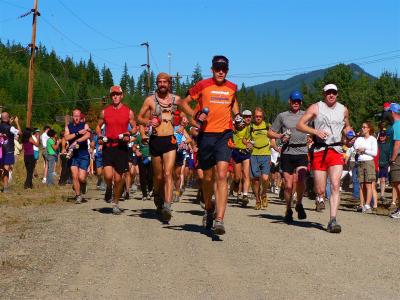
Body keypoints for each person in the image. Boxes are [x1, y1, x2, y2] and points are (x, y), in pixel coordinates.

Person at [179, 55, 240, 235]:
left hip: (224, 135)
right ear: (212, 69)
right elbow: (183, 103)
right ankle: (208, 209)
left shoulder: (232, 88)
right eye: (217, 68)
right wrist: (194, 117)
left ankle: (220, 220)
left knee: (222, 175)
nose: (221, 71)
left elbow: (234, 104)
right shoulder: (203, 85)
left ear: (227, 70)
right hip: (206, 135)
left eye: (224, 68)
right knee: (207, 179)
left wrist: (237, 118)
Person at [296, 83, 353, 233]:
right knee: (321, 189)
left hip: (336, 149)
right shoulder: (316, 107)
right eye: (328, 92)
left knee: (335, 185)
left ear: (337, 94)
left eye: (334, 92)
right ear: (324, 94)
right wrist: (315, 131)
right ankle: (317, 193)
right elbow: (300, 125)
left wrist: (350, 134)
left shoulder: (343, 109)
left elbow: (347, 126)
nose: (331, 95)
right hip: (320, 150)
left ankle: (333, 220)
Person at [137, 73, 180, 222]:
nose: (162, 84)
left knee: (168, 173)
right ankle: (157, 196)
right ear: (157, 83)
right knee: (159, 176)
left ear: (169, 84)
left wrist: (186, 118)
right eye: (159, 82)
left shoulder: (175, 100)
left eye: (165, 82)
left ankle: (167, 205)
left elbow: (186, 113)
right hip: (155, 140)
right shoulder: (150, 100)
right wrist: (148, 123)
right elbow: (139, 118)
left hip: (170, 140)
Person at [268, 90, 308, 222]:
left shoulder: (307, 115)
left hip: (302, 151)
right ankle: (288, 208)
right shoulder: (282, 116)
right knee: (289, 185)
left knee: (301, 179)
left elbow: (315, 129)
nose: (296, 103)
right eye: (293, 101)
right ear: (289, 101)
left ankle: (299, 203)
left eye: (298, 101)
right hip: (287, 153)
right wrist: (280, 136)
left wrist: (312, 137)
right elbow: (270, 133)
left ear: (301, 102)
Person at [96, 85, 136, 215]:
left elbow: (135, 127)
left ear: (122, 95)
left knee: (119, 179)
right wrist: (100, 136)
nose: (115, 96)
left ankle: (116, 203)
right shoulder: (105, 111)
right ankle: (108, 187)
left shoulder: (128, 111)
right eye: (113, 94)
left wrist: (128, 133)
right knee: (108, 175)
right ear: (110, 96)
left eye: (117, 94)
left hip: (122, 148)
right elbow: (98, 126)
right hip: (109, 146)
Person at [244, 107, 271, 210]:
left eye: (260, 116)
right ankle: (257, 199)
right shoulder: (250, 126)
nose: (258, 118)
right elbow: (244, 140)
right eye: (256, 116)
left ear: (263, 116)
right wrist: (247, 144)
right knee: (255, 179)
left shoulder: (268, 126)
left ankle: (264, 194)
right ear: (253, 117)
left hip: (265, 154)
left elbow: (272, 137)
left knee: (265, 178)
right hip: (254, 154)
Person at [64, 109, 91, 204]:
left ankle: (83, 183)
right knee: (74, 176)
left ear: (81, 117)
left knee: (81, 177)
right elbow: (66, 137)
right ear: (72, 116)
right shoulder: (68, 127)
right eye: (75, 116)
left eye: (78, 116)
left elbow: (88, 135)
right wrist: (77, 133)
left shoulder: (85, 125)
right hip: (73, 155)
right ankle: (78, 195)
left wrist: (77, 141)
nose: (76, 118)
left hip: (83, 154)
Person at [353, 121, 377, 213]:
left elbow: (374, 153)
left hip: (368, 162)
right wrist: (361, 150)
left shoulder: (373, 139)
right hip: (360, 162)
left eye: (364, 127)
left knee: (368, 184)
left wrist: (365, 150)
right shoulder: (359, 139)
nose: (362, 128)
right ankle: (361, 204)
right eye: (362, 127)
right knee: (361, 184)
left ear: (368, 129)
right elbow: (356, 148)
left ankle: (367, 205)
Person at [231, 109, 252, 206]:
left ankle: (245, 195)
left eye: (249, 116)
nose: (248, 118)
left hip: (245, 152)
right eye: (246, 116)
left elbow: (245, 139)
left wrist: (248, 143)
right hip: (236, 152)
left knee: (246, 174)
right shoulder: (234, 126)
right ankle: (235, 186)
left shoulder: (248, 128)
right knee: (237, 177)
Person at [0, 112, 21, 192]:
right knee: (6, 168)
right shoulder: (10, 127)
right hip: (8, 150)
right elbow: (20, 132)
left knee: (2, 168)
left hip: (1, 149)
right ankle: (5, 187)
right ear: (8, 118)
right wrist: (17, 122)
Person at [388, 103, 400, 218]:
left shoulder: (397, 125)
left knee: (397, 183)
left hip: (398, 158)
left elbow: (397, 143)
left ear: (392, 112)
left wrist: (392, 159)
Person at [135, 131, 153, 200]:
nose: (146, 128)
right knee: (143, 176)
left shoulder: (152, 136)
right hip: (142, 158)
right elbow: (134, 147)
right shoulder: (138, 137)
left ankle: (150, 190)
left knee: (150, 176)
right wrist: (137, 151)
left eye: (147, 126)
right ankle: (144, 194)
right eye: (144, 126)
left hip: (151, 158)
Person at [377, 131, 390, 203]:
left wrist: (388, 164)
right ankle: (374, 193)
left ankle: (382, 195)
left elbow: (389, 155)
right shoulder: (376, 144)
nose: (381, 137)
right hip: (376, 164)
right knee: (374, 180)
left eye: (383, 136)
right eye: (380, 136)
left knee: (383, 180)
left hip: (384, 164)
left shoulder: (388, 145)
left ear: (385, 137)